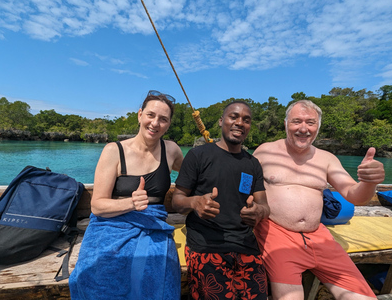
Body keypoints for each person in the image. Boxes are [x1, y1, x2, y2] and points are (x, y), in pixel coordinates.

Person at [253, 100, 385, 300]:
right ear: (286, 123)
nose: (304, 128)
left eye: (311, 122)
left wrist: (369, 182)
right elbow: (244, 187)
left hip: (320, 237)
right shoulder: (265, 151)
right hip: (277, 235)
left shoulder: (327, 158)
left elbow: (354, 195)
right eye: (297, 121)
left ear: (318, 127)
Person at [69, 90, 184, 300]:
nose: (155, 123)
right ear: (140, 115)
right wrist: (131, 203)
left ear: (168, 124)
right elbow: (97, 206)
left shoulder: (172, 150)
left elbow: (193, 175)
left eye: (163, 119)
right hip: (111, 225)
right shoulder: (114, 151)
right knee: (95, 278)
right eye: (151, 115)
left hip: (154, 227)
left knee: (159, 277)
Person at [172, 101, 270, 300]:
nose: (240, 123)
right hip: (206, 245)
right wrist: (195, 203)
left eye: (246, 120)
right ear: (221, 121)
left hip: (245, 245)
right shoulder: (198, 156)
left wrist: (258, 212)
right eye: (233, 117)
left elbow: (265, 206)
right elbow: (177, 200)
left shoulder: (253, 164)